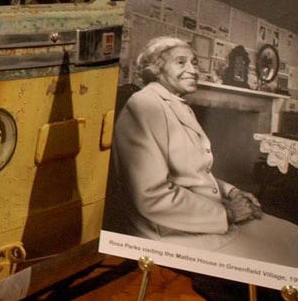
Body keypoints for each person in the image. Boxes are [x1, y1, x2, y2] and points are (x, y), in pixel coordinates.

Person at [107, 36, 298, 266]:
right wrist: (227, 213)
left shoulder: (177, 105)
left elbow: (192, 174)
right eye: (181, 62)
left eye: (194, 63)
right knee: (283, 257)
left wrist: (232, 192)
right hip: (170, 231)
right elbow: (152, 196)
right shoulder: (145, 105)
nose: (192, 69)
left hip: (203, 217)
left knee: (291, 234)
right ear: (156, 69)